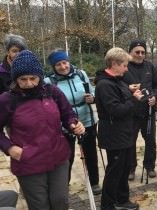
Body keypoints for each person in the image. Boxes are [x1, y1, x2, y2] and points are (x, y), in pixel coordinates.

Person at [0, 50, 85, 210]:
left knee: (61, 201)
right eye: (23, 79)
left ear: (39, 76)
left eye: (33, 78)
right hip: (28, 161)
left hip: (57, 157)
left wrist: (74, 124)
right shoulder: (7, 100)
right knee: (40, 206)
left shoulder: (52, 91)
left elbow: (67, 113)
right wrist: (9, 147)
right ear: (15, 79)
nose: (29, 83)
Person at [44, 49, 101, 195]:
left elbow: (92, 90)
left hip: (86, 119)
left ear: (68, 61)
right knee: (66, 156)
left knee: (90, 154)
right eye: (58, 65)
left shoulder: (81, 74)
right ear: (53, 66)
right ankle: (64, 185)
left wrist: (92, 97)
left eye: (64, 62)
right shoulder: (49, 81)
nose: (63, 67)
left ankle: (94, 183)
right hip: (65, 124)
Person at [94, 47, 143, 210]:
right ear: (114, 64)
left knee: (124, 168)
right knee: (114, 171)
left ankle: (122, 200)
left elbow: (121, 96)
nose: (127, 68)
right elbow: (116, 110)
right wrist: (134, 99)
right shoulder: (104, 84)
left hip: (124, 133)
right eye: (124, 65)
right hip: (114, 134)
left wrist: (129, 91)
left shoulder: (117, 80)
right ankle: (108, 205)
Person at [123, 39, 157, 180]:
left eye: (142, 52)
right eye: (137, 52)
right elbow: (119, 87)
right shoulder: (125, 66)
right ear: (130, 52)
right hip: (131, 112)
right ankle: (130, 168)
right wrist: (128, 90)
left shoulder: (150, 66)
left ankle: (150, 166)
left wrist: (155, 96)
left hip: (148, 111)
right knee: (130, 141)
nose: (140, 55)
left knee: (150, 140)